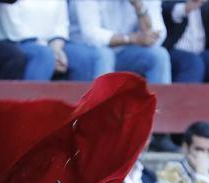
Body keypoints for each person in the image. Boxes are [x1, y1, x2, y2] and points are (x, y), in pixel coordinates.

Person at [71, 0, 176, 152]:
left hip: (124, 50)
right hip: (85, 49)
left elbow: (157, 36)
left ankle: (157, 132)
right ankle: (101, 129)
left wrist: (139, 7)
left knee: (159, 56)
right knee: (105, 56)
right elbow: (91, 35)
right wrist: (132, 39)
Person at [0, 0, 101, 81]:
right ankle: (29, 110)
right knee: (44, 55)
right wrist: (51, 52)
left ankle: (76, 112)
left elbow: (61, 25)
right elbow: (13, 29)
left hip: (52, 44)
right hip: (12, 42)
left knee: (85, 57)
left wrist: (56, 48)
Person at [162, 0, 209, 82]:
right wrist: (186, 8)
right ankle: (183, 95)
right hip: (172, 50)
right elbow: (167, 8)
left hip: (200, 51)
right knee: (193, 62)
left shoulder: (207, 3)